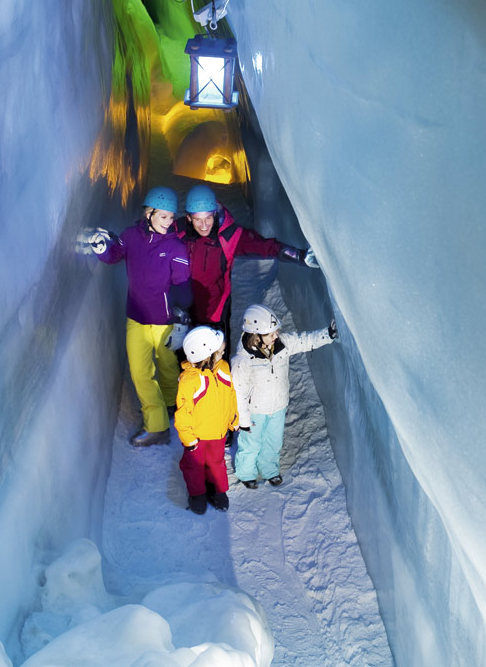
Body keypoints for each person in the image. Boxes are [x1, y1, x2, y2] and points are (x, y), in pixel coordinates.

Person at [80, 187, 192, 446]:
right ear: (149, 213)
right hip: (136, 318)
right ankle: (157, 428)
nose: (168, 222)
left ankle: (171, 403)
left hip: (164, 321)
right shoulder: (130, 236)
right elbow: (113, 256)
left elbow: (183, 287)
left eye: (171, 217)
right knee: (140, 373)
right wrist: (101, 249)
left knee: (167, 366)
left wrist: (180, 321)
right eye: (163, 216)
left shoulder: (175, 247)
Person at [178, 185, 317, 337]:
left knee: (216, 356)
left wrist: (297, 255)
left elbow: (264, 246)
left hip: (214, 312)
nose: (204, 226)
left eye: (208, 218)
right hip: (183, 308)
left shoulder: (229, 236)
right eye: (198, 219)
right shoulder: (179, 232)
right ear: (189, 218)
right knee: (184, 354)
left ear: (215, 214)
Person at [231, 303, 337, 488]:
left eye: (276, 332)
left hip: (278, 405)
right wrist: (244, 419)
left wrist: (327, 334)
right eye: (271, 334)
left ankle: (269, 470)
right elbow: (238, 391)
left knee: (273, 441)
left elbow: (304, 341)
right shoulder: (243, 360)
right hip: (255, 410)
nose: (276, 336)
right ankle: (246, 473)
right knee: (251, 443)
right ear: (256, 336)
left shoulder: (282, 345)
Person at [174, 326, 238, 514]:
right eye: (220, 350)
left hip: (218, 433)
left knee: (216, 463)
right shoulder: (189, 380)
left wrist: (233, 418)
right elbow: (183, 413)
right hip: (197, 438)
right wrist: (189, 439)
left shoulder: (223, 368)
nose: (224, 350)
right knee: (194, 466)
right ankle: (197, 495)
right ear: (206, 356)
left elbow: (231, 395)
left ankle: (217, 491)